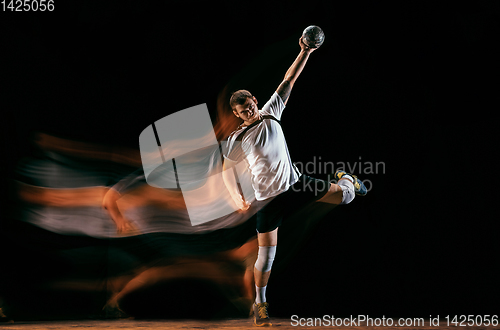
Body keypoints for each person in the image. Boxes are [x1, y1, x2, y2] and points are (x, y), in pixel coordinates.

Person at [222, 36, 367, 326]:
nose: (248, 111)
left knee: (348, 196)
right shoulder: (235, 138)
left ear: (255, 101)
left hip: (296, 184)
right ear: (236, 114)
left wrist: (305, 51)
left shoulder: (272, 112)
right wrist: (234, 196)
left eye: (249, 105)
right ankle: (260, 305)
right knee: (267, 257)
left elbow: (289, 79)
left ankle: (347, 178)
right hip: (267, 201)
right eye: (242, 110)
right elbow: (227, 170)